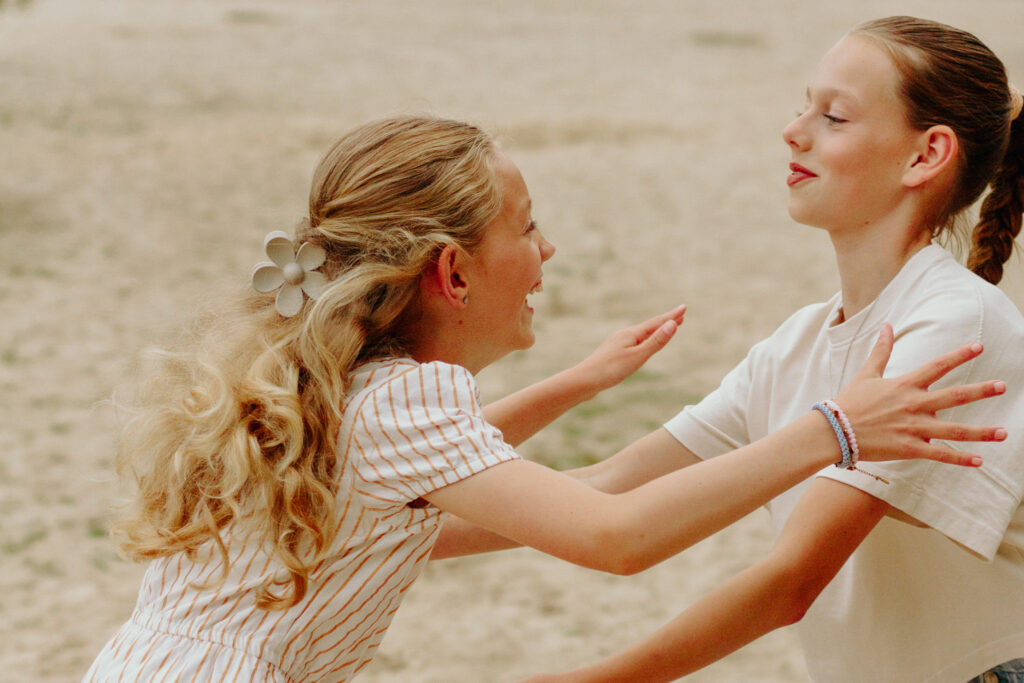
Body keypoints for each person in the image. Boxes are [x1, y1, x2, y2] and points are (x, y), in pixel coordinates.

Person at [83, 115, 1004, 683]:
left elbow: (434, 486)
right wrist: (835, 429)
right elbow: (615, 536)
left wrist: (575, 382)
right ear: (452, 271)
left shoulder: (338, 392)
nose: (547, 251)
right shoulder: (408, 403)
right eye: (527, 229)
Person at [522, 15, 1024, 683]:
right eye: (803, 105)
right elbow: (606, 485)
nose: (795, 131)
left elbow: (792, 579)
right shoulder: (799, 341)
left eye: (835, 117)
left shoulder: (957, 322)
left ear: (926, 154)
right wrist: (393, 529)